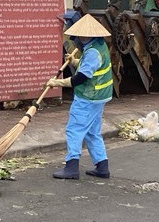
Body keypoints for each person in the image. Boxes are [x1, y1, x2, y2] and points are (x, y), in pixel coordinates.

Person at [46, 14, 114, 180]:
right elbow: (89, 67)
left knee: (74, 129)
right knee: (92, 132)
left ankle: (71, 167)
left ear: (86, 34)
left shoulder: (92, 52)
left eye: (80, 34)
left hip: (88, 97)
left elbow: (80, 78)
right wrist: (74, 61)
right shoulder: (98, 45)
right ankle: (102, 166)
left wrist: (57, 83)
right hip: (99, 96)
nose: (77, 37)